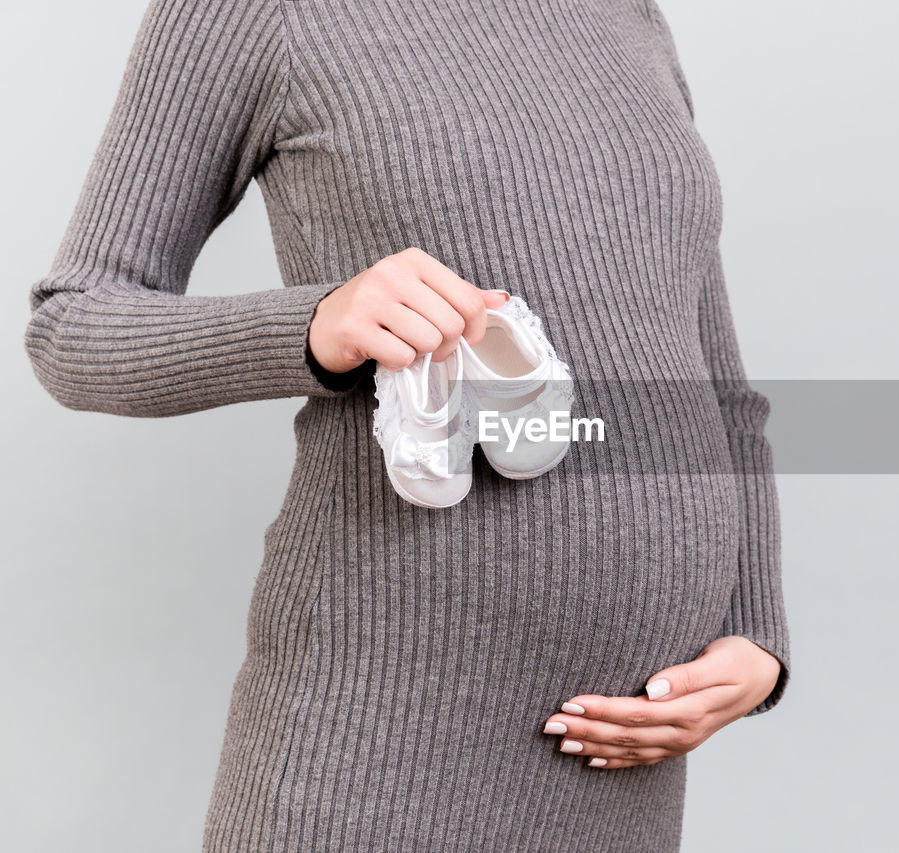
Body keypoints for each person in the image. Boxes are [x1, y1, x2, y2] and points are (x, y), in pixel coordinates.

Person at [23, 0, 792, 849]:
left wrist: (757, 633)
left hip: (623, 771)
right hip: (380, 754)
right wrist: (315, 326)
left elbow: (720, 393)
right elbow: (73, 327)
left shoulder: (625, 15)